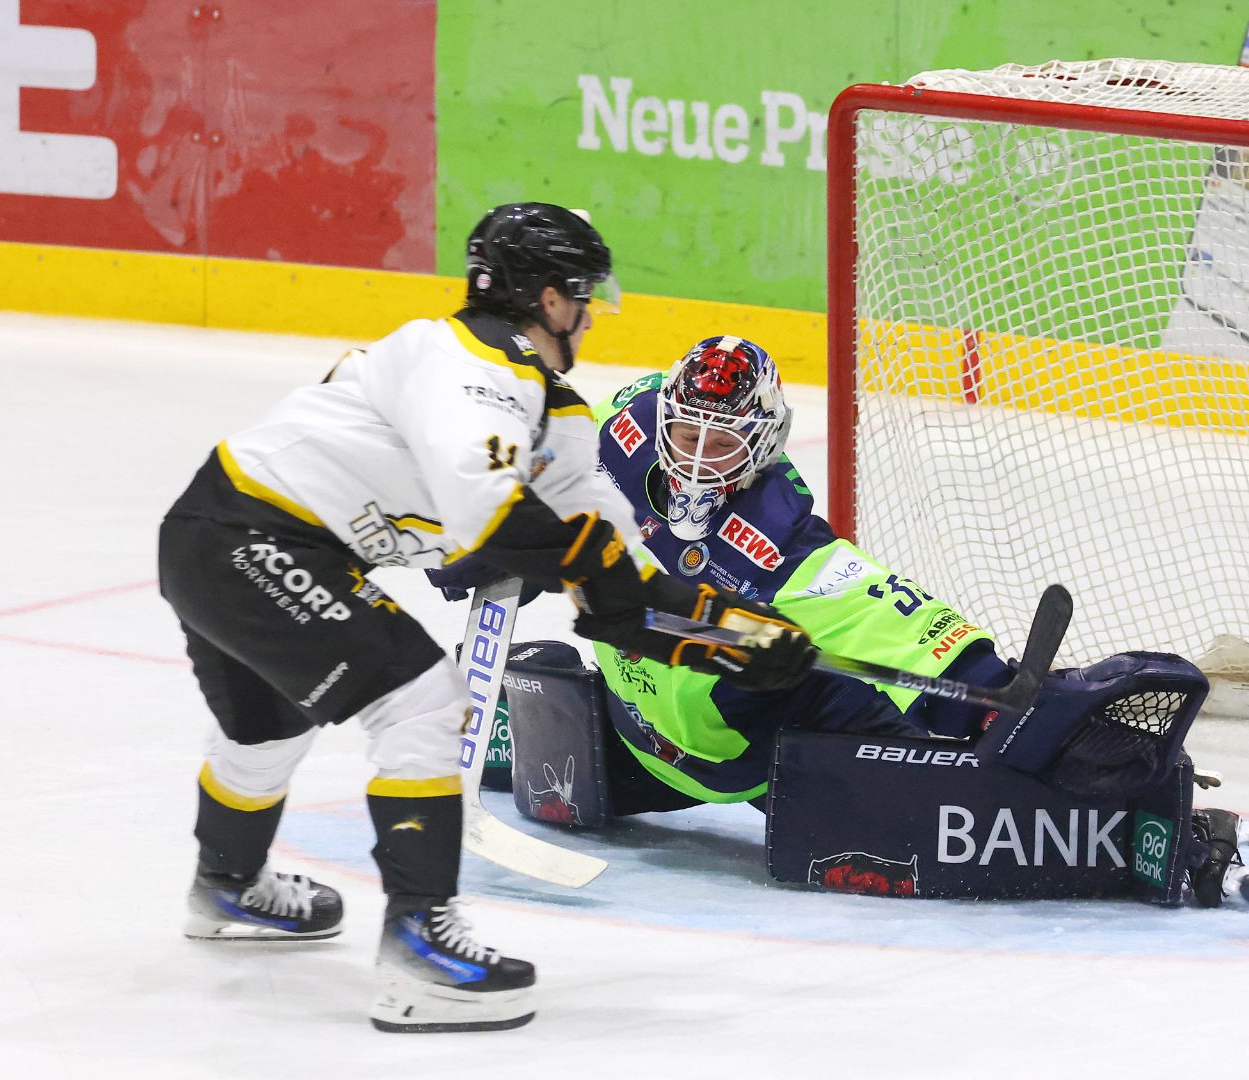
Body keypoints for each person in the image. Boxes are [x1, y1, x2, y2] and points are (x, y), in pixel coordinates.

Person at [157, 205, 815, 1034]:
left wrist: (735, 635)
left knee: (268, 724)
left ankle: (227, 885)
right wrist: (587, 567)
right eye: (583, 296)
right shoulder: (461, 360)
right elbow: (492, 515)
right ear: (549, 299)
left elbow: (624, 582)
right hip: (247, 535)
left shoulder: (554, 412)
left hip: (229, 542)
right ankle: (419, 954)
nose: (590, 315)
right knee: (426, 704)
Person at [437, 336, 1249, 907]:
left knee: (944, 774)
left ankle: (1173, 828)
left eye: (720, 443)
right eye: (684, 432)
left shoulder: (788, 548)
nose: (694, 457)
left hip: (739, 761)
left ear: (762, 443)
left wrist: (1008, 697)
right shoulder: (624, 434)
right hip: (646, 744)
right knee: (551, 676)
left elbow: (905, 622)